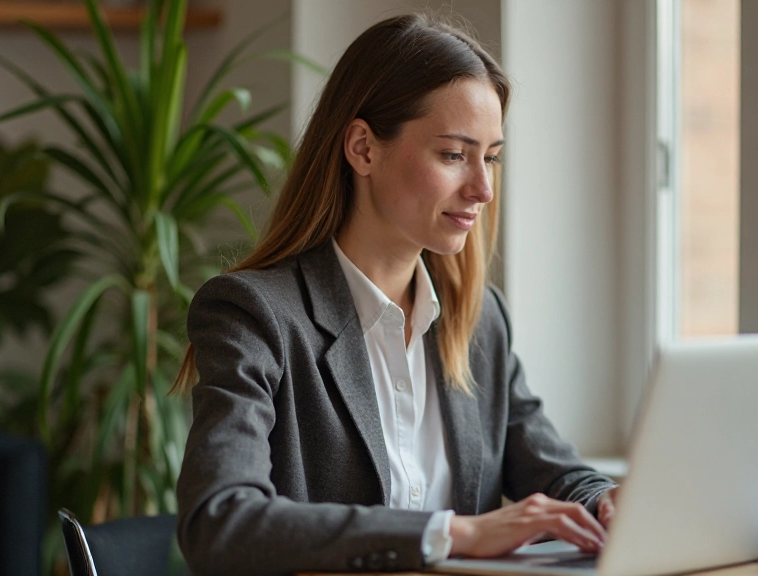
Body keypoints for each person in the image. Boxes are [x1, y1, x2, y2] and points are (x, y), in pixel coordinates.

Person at [173, 13, 619, 576]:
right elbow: (219, 521)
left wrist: (606, 500)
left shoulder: (478, 321)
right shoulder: (255, 315)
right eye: (454, 155)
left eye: (490, 157)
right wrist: (454, 534)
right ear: (363, 148)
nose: (483, 188)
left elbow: (556, 472)